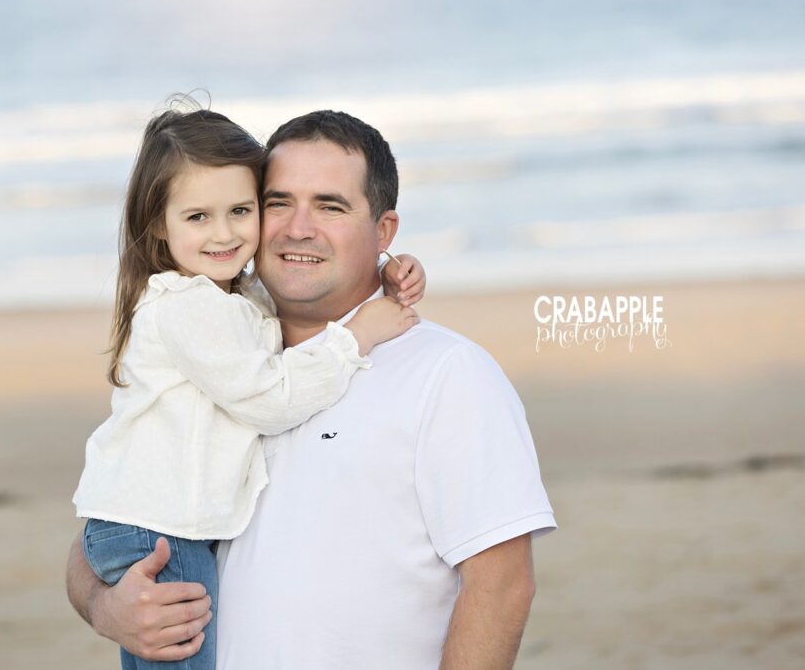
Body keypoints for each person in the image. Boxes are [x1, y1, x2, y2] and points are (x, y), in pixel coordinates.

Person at [67, 110, 557, 669]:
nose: (298, 227)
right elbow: (107, 527)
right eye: (278, 202)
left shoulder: (447, 373)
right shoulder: (217, 350)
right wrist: (107, 606)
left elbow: (503, 583)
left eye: (330, 205)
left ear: (384, 233)